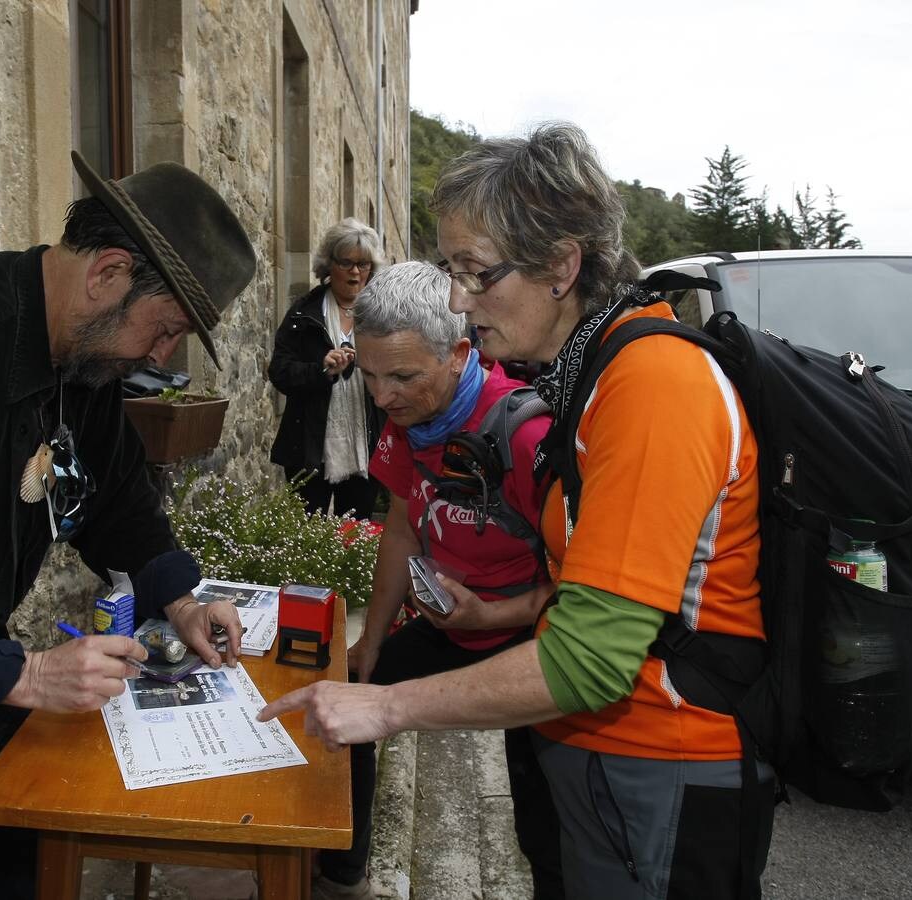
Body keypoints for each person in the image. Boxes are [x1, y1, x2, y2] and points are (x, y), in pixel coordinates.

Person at [261, 123, 774, 900]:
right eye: (451, 270)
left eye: (476, 272)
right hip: (605, 760)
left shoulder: (652, 385)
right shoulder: (596, 373)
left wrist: (386, 706)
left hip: (660, 766)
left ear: (562, 265)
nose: (460, 301)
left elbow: (586, 657)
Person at [0, 150, 255, 900]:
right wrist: (25, 673)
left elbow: (115, 497)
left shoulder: (81, 358)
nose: (159, 358)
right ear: (108, 275)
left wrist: (180, 600)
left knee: (33, 814)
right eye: (162, 331)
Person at [311, 261, 563, 900]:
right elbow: (399, 527)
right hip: (454, 626)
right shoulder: (407, 423)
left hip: (531, 640)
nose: (382, 398)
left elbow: (581, 589)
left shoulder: (527, 435)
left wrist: (491, 617)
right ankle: (342, 875)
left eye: (401, 376)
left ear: (459, 352)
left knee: (544, 821)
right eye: (369, 376)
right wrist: (370, 639)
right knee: (348, 700)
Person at [268, 218, 387, 518]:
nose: (356, 272)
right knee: (307, 537)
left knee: (356, 535)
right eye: (347, 262)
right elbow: (280, 372)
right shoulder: (304, 313)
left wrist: (375, 366)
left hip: (366, 446)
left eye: (364, 264)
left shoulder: (383, 315)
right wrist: (321, 370)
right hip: (309, 447)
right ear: (329, 265)